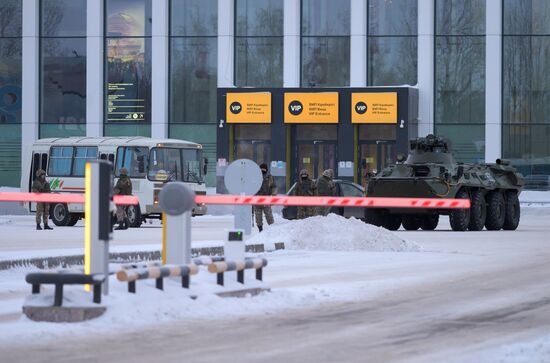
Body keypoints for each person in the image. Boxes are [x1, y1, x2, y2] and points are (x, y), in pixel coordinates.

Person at [253, 163, 277, 232]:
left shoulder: (270, 177)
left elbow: (274, 187)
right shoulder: (255, 177)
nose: (262, 170)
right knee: (258, 217)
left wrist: (274, 195)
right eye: (261, 169)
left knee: (269, 216)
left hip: (266, 199)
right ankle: (260, 231)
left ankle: (273, 230)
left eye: (264, 169)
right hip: (257, 200)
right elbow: (251, 187)